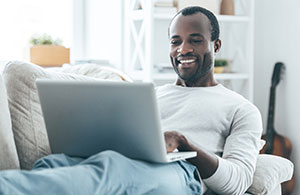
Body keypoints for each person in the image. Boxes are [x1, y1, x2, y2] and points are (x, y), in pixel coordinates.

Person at [0, 6, 262, 195]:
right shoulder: (147, 95)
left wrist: (184, 144)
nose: (183, 49)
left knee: (112, 170)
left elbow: (238, 182)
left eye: (195, 40)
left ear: (215, 46)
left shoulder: (241, 109)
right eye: (175, 41)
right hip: (122, 160)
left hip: (179, 174)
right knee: (54, 164)